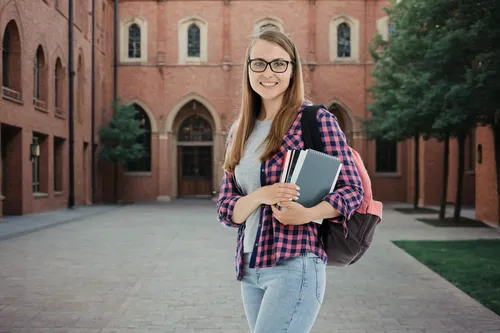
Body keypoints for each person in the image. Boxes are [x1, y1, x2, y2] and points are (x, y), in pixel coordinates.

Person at [216, 28, 364, 333]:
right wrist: (260, 196)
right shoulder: (238, 131)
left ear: (292, 69)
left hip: (294, 263)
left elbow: (353, 191)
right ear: (247, 69)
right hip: (249, 267)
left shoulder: (315, 120)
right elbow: (225, 210)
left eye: (278, 64)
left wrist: (309, 213)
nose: (268, 73)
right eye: (259, 63)